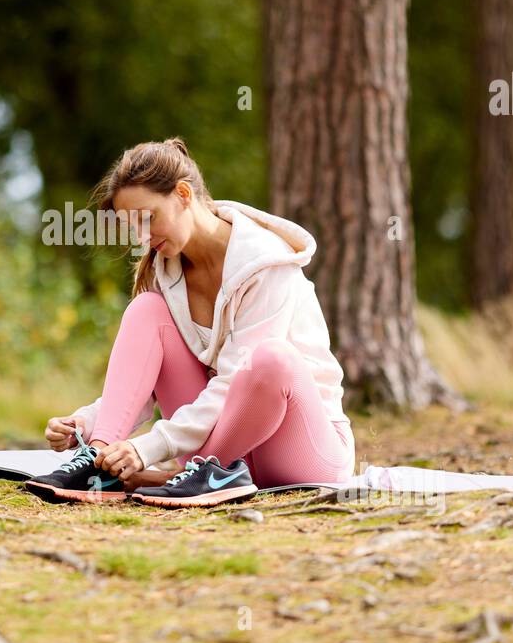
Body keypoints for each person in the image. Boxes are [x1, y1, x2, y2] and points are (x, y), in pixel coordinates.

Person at [24, 136, 354, 508]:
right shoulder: (167, 270)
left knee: (272, 358)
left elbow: (234, 381)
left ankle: (201, 473)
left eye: (148, 219)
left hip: (301, 452)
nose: (143, 238)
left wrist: (149, 448)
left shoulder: (266, 263)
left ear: (183, 194)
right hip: (219, 455)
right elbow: (143, 384)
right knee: (145, 309)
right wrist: (84, 425)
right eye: (133, 227)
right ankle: (99, 466)